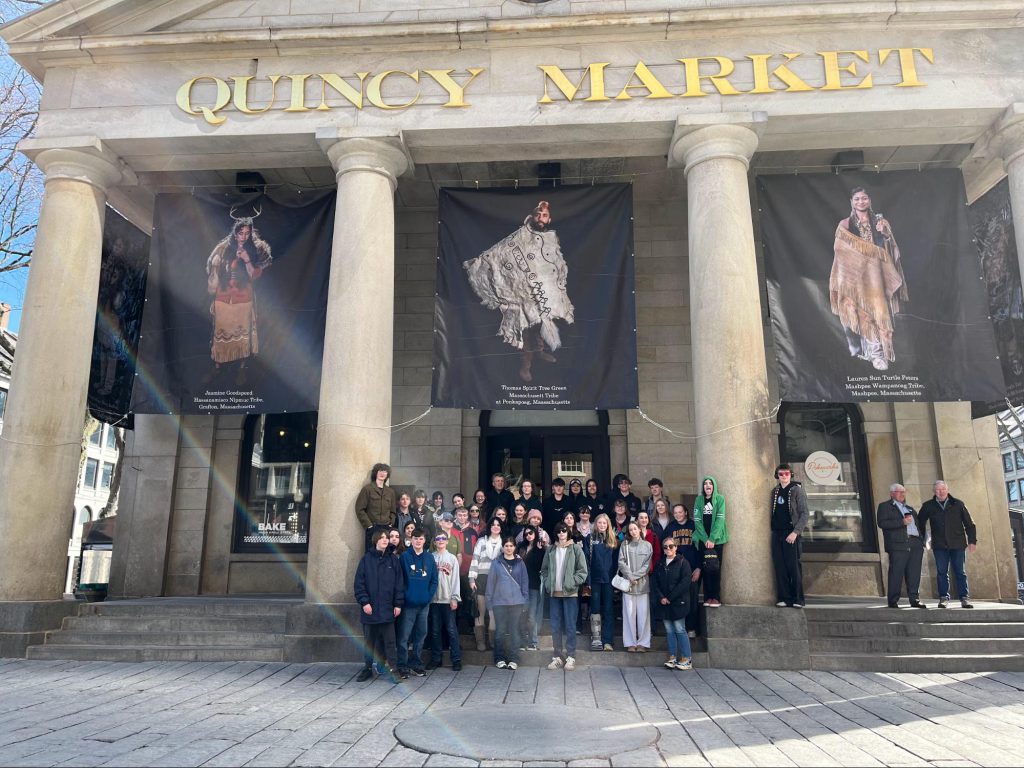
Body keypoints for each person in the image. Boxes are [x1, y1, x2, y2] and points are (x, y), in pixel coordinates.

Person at [463, 199, 575, 382]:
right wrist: (483, 261)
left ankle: (540, 352)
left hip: (543, 288)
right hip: (522, 290)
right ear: (532, 216)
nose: (541, 218)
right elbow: (504, 251)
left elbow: (553, 260)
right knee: (525, 329)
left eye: (544, 215)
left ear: (549, 219)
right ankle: (526, 365)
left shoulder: (552, 237)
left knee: (540, 323)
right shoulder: (521, 235)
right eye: (538, 215)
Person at [829, 185, 908, 371]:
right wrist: (861, 254)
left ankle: (882, 351)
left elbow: (891, 248)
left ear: (869, 200)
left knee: (879, 310)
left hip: (878, 275)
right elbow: (839, 248)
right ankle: (874, 352)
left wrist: (885, 233)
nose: (860, 202)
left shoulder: (880, 221)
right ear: (851, 202)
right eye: (857, 199)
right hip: (856, 275)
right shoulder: (845, 224)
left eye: (864, 198)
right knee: (863, 311)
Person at [206, 216, 272, 379]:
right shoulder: (223, 248)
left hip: (243, 298)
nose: (243, 236)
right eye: (241, 233)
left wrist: (246, 259)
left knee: (243, 335)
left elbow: (254, 275)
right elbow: (213, 271)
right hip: (223, 297)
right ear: (235, 233)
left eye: (247, 233)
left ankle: (242, 367)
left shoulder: (256, 249)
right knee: (220, 332)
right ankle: (218, 366)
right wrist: (216, 265)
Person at [353, 529, 404, 683]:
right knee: (369, 642)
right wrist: (365, 602)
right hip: (370, 609)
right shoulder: (366, 559)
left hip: (388, 609)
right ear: (376, 540)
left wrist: (398, 603)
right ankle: (367, 668)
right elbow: (359, 583)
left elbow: (399, 584)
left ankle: (394, 670)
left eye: (387, 538)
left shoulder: (393, 560)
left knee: (390, 642)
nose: (385, 540)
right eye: (382, 538)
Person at [919, 480, 978, 609]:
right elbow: (920, 523)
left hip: (958, 544)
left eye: (943, 489)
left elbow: (970, 524)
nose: (941, 492)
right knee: (941, 572)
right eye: (938, 490)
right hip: (939, 545)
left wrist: (972, 541)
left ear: (947, 490)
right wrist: (922, 539)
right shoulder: (928, 506)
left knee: (960, 572)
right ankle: (943, 598)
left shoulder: (958, 504)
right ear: (934, 491)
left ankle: (964, 598)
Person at [541, 523, 589, 671]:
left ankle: (571, 656)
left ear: (568, 532)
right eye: (559, 531)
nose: (561, 533)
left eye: (564, 530)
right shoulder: (550, 550)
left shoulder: (575, 549)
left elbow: (582, 571)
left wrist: (573, 583)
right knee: (555, 626)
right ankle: (557, 656)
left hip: (570, 594)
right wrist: (549, 584)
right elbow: (544, 570)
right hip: (554, 594)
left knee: (570, 625)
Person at [877, 483, 928, 609]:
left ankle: (914, 599)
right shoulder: (884, 507)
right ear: (892, 493)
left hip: (915, 544)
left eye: (903, 492)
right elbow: (882, 523)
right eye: (899, 492)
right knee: (896, 573)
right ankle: (893, 600)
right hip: (898, 544)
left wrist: (921, 540)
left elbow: (919, 525)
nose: (902, 494)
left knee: (914, 573)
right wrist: (902, 522)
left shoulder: (910, 509)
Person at [396, 528, 437, 679]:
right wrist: (406, 596)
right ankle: (402, 665)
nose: (418, 541)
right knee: (404, 637)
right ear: (411, 540)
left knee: (421, 635)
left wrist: (428, 596)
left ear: (425, 541)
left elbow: (434, 580)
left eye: (420, 538)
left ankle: (416, 664)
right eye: (415, 538)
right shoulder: (405, 557)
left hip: (424, 604)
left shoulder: (429, 558)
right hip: (408, 605)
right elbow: (400, 580)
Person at [486, 537, 530, 669]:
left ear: (514, 547)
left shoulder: (520, 563)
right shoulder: (496, 563)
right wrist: (489, 602)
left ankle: (513, 659)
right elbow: (490, 583)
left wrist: (525, 600)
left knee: (514, 631)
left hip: (516, 602)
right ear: (503, 547)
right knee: (500, 631)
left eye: (511, 545)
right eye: (506, 545)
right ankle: (499, 658)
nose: (509, 548)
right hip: (499, 602)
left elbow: (524, 583)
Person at [653, 536, 694, 671]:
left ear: (676, 547)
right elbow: (656, 582)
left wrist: (670, 597)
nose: (668, 549)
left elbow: (685, 582)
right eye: (665, 547)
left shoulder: (683, 562)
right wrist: (661, 597)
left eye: (671, 546)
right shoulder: (660, 563)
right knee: (669, 630)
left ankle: (687, 658)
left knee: (680, 629)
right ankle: (672, 657)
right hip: (664, 603)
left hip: (678, 602)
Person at [770, 464, 808, 609]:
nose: (784, 476)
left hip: (791, 533)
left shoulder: (797, 490)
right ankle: (784, 598)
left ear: (791, 474)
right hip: (777, 533)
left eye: (786, 473)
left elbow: (805, 514)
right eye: (781, 474)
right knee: (780, 567)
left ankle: (798, 598)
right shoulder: (775, 491)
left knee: (794, 568)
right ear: (777, 476)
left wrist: (795, 532)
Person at [664, 503, 701, 637]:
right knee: (676, 599)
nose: (678, 515)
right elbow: (665, 547)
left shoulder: (694, 526)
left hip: (692, 569)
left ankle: (691, 628)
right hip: (676, 570)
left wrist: (698, 568)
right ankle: (679, 628)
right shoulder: (671, 527)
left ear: (686, 512)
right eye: (676, 512)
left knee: (692, 600)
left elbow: (700, 548)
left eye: (681, 512)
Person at [427, 532, 462, 671]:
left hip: (448, 600)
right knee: (435, 631)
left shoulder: (452, 558)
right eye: (438, 539)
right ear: (434, 542)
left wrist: (454, 597)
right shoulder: (430, 558)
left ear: (447, 541)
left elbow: (455, 580)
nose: (440, 541)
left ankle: (456, 659)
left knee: (451, 630)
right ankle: (436, 659)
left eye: (443, 538)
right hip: (434, 600)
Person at [693, 476, 728, 608]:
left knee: (715, 569)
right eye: (705, 483)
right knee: (706, 569)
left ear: (714, 486)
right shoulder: (699, 499)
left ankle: (716, 597)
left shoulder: (720, 499)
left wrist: (712, 538)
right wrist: (705, 539)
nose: (708, 485)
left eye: (710, 483)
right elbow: (697, 520)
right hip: (703, 541)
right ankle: (707, 597)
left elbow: (720, 520)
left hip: (717, 540)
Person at [469, 518, 504, 650]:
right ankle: (480, 642)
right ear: (489, 527)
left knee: (493, 612)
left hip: (497, 579)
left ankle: (492, 642)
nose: (495, 527)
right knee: (480, 611)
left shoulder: (504, 542)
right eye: (493, 525)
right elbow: (475, 559)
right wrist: (472, 579)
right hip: (482, 578)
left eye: (498, 525)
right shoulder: (482, 541)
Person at [586, 513, 618, 651]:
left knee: (609, 609)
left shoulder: (613, 540)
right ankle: (596, 638)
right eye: (599, 523)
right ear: (595, 524)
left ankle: (608, 640)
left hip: (609, 580)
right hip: (595, 579)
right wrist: (588, 580)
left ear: (608, 524)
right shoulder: (590, 538)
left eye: (604, 523)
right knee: (595, 608)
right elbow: (586, 560)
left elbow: (618, 561)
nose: (602, 525)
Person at [619, 521, 653, 652]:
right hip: (628, 585)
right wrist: (630, 576)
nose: (633, 531)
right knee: (628, 615)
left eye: (635, 529)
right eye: (630, 530)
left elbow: (647, 565)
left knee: (644, 615)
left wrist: (636, 576)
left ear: (640, 530)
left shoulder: (647, 545)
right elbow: (621, 563)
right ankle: (630, 643)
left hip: (642, 585)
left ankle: (643, 643)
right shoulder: (625, 545)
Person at [356, 462, 397, 552]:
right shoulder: (367, 489)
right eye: (380, 471)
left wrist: (391, 523)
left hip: (386, 528)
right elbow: (360, 509)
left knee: (385, 553)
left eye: (385, 471)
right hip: (373, 527)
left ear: (387, 475)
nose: (383, 473)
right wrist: (369, 526)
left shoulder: (390, 492)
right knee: (371, 553)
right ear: (376, 473)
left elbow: (393, 510)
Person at [518, 525, 546, 651]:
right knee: (522, 614)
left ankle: (533, 641)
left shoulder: (539, 548)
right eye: (526, 533)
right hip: (520, 586)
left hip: (533, 585)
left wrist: (541, 549)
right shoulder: (520, 547)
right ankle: (522, 641)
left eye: (531, 533)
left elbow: (539, 565)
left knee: (532, 615)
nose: (528, 535)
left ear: (535, 534)